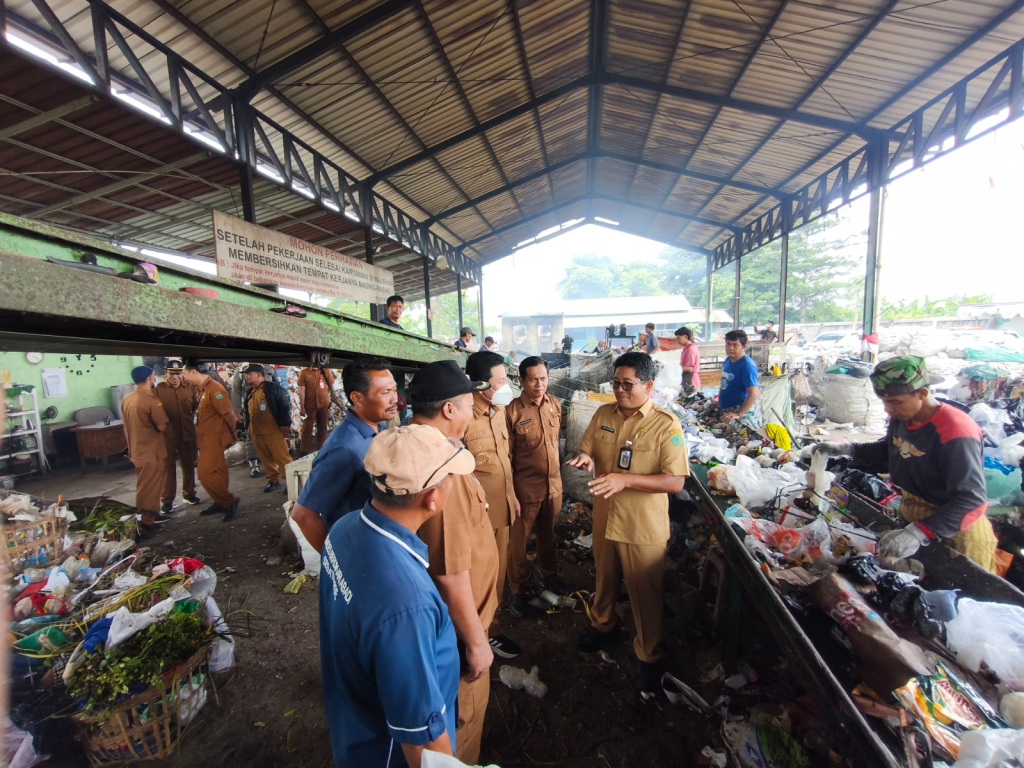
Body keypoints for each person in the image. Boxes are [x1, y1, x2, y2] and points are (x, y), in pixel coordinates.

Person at [320, 426, 472, 767]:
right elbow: (423, 743)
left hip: (353, 727)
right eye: (448, 477)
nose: (451, 484)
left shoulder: (345, 527)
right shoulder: (406, 605)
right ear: (431, 498)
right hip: (387, 753)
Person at [566, 352, 689, 692]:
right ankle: (603, 625)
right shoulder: (605, 412)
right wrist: (586, 456)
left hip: (642, 524)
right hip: (605, 514)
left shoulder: (666, 424)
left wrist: (625, 480)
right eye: (616, 383)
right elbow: (588, 444)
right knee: (604, 577)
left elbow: (675, 481)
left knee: (644, 591)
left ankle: (648, 656)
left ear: (648, 385)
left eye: (627, 384)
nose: (620, 390)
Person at [813, 356, 998, 573]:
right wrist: (847, 449)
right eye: (884, 402)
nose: (888, 410)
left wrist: (919, 533)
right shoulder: (902, 417)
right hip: (914, 512)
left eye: (895, 402)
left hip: (954, 526)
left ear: (922, 393)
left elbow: (971, 499)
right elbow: (891, 450)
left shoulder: (955, 431)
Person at [409, 360, 498, 765]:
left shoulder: (419, 448)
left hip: (451, 624)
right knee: (463, 728)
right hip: (460, 633)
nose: (472, 410)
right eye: (468, 404)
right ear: (449, 409)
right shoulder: (445, 472)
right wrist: (478, 643)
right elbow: (449, 571)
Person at [291, 358, 399, 553]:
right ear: (357, 398)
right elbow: (304, 514)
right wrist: (338, 560)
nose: (395, 399)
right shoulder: (344, 449)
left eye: (394, 390)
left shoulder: (378, 428)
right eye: (385, 393)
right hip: (360, 550)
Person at [464, 351, 521, 660]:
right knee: (476, 581)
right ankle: (477, 639)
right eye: (500, 381)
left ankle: (490, 630)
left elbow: (503, 461)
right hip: (475, 520)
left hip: (502, 511)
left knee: (496, 578)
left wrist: (511, 496)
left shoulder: (498, 411)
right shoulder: (461, 416)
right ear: (480, 383)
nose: (506, 386)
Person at [506, 356, 568, 616]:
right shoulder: (511, 412)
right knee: (518, 544)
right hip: (525, 490)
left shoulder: (555, 405)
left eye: (543, 378)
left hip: (553, 487)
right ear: (521, 381)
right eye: (533, 379)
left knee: (547, 537)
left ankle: (549, 576)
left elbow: (555, 445)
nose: (539, 384)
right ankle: (517, 591)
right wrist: (510, 494)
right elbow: (506, 457)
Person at [183, 362, 240, 521]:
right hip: (205, 437)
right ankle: (220, 501)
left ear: (193, 372)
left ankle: (229, 500)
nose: (184, 378)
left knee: (205, 472)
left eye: (185, 374)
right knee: (218, 470)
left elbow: (228, 414)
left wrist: (233, 430)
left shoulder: (215, 389)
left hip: (215, 438)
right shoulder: (202, 389)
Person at [121, 366, 169, 534]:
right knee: (149, 487)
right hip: (150, 450)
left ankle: (153, 514)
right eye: (153, 375)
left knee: (150, 484)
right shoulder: (150, 400)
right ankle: (147, 520)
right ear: (150, 378)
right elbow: (162, 426)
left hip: (137, 449)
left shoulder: (128, 398)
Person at [154, 360, 200, 513]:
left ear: (182, 374)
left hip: (187, 433)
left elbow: (195, 407)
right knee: (167, 468)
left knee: (188, 465)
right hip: (167, 435)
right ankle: (167, 500)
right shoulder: (158, 390)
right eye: (171, 373)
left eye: (178, 373)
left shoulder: (190, 388)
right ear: (166, 373)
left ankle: (189, 494)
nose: (175, 377)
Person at [241, 364, 293, 493]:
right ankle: (273, 480)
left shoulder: (272, 388)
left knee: (282, 458)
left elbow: (283, 406)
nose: (246, 377)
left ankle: (291, 481)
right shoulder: (250, 391)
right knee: (265, 459)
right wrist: (246, 427)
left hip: (273, 431)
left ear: (259, 374)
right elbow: (247, 411)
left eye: (249, 374)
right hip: (256, 432)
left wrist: (284, 424)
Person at [719, 329, 761, 427]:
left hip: (741, 414)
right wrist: (719, 403)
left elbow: (753, 393)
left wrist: (738, 414)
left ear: (744, 346)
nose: (731, 348)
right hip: (728, 412)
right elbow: (727, 385)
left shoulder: (746, 366)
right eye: (728, 344)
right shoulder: (728, 361)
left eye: (735, 345)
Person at [298, 356, 336, 454]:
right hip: (310, 405)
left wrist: (332, 400)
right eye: (313, 356)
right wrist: (302, 407)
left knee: (322, 427)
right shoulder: (305, 372)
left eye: (316, 356)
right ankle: (304, 450)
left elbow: (332, 386)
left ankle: (321, 449)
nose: (315, 359)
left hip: (324, 404)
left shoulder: (325, 371)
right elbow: (302, 390)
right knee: (307, 428)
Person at [229, 365, 262, 478]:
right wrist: (237, 411)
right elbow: (236, 391)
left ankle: (274, 464)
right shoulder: (241, 371)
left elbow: (278, 387)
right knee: (250, 436)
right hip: (249, 408)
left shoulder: (268, 369)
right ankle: (253, 464)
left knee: (271, 437)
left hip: (267, 410)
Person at [674, 327, 701, 391]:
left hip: (691, 381)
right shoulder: (687, 348)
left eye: (679, 338)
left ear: (686, 337)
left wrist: (675, 368)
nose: (677, 341)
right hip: (687, 378)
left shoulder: (691, 349)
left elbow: (689, 368)